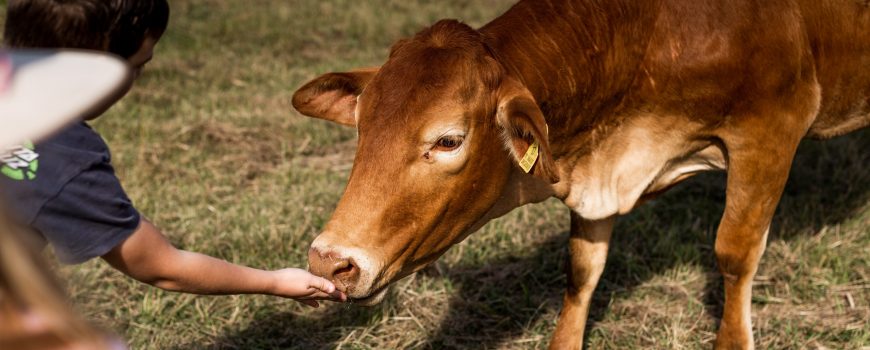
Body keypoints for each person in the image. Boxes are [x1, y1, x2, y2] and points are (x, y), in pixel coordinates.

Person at [1, 0, 344, 307]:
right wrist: (274, 281)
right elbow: (162, 267)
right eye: (138, 66)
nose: (137, 78)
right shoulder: (64, 161)